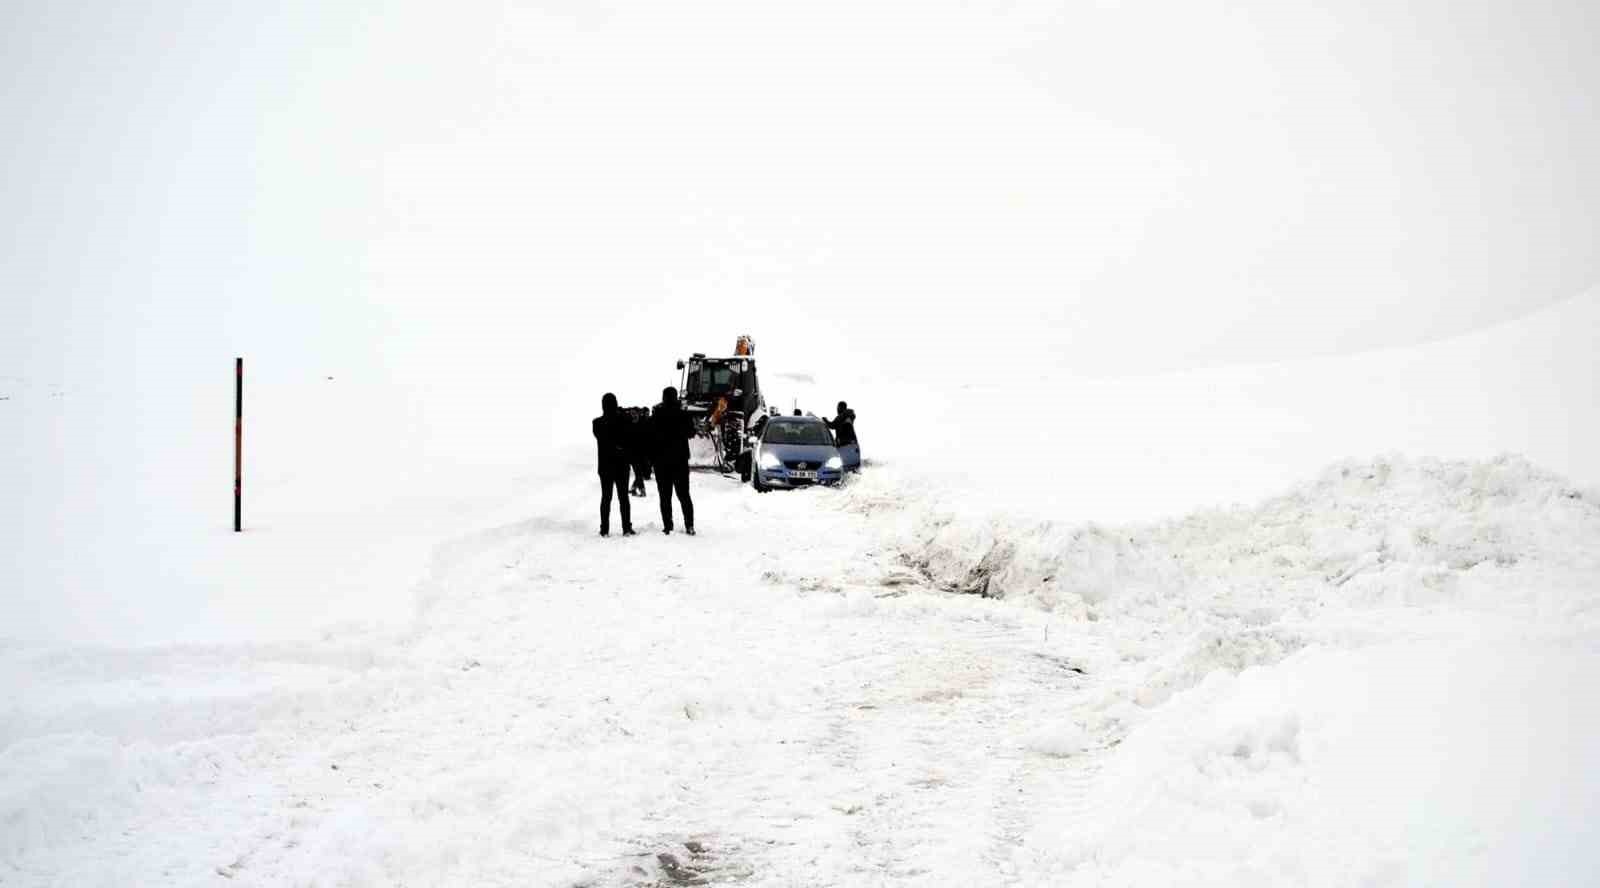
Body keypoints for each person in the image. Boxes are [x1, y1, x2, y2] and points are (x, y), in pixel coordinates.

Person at [651, 386, 696, 535]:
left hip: (661, 461)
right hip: (680, 460)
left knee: (665, 496)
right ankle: (689, 525)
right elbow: (691, 432)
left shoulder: (657, 414)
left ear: (663, 398)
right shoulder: (683, 414)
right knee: (684, 495)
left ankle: (668, 526)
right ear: (676, 397)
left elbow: (649, 435)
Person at [592, 393, 634, 536]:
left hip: (605, 467)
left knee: (606, 498)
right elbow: (629, 436)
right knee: (624, 499)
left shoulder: (597, 423)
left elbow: (605, 435)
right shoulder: (624, 420)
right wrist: (621, 414)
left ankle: (604, 530)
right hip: (622, 466)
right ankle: (626, 528)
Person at [825, 400, 861, 471]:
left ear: (840, 408)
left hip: (844, 445)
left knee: (841, 465)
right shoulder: (848, 416)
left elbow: (832, 425)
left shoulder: (841, 417)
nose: (837, 409)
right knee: (853, 466)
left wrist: (825, 420)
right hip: (853, 444)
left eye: (838, 408)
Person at [626, 407, 653, 497]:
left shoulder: (643, 424)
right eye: (632, 413)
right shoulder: (628, 424)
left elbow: (647, 438)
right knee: (638, 472)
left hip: (643, 453)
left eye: (635, 413)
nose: (633, 415)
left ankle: (636, 488)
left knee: (639, 472)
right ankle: (640, 490)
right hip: (633, 453)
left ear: (638, 414)